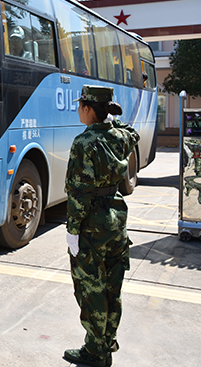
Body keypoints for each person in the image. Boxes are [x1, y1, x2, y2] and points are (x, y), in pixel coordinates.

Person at [64, 85, 140, 367]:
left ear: (87, 108)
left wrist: (72, 230)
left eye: (80, 105)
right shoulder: (119, 136)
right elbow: (133, 132)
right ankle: (108, 340)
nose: (78, 110)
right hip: (116, 219)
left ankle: (95, 351)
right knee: (112, 286)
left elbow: (78, 192)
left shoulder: (83, 142)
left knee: (91, 290)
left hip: (92, 225)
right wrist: (111, 119)